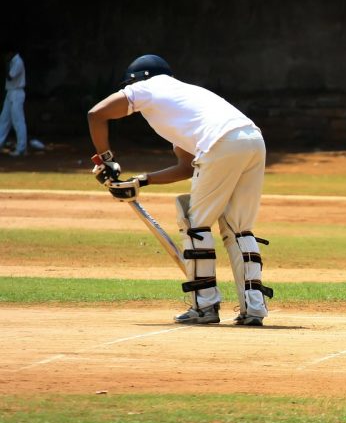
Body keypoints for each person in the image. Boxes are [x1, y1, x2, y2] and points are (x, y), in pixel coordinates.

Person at [87, 54, 271, 326]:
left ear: (137, 80)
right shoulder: (186, 99)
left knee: (196, 224)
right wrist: (141, 181)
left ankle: (204, 306)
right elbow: (186, 167)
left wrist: (106, 159)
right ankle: (254, 308)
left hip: (221, 143)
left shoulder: (146, 88)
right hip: (253, 140)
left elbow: (96, 114)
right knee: (238, 227)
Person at [0, 50, 27, 157]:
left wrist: (5, 65)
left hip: (17, 92)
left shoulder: (17, 61)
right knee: (4, 119)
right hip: (10, 92)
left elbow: (10, 76)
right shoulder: (13, 61)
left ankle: (21, 148)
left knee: (18, 120)